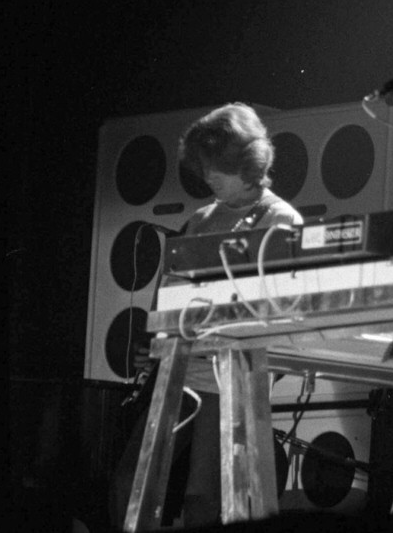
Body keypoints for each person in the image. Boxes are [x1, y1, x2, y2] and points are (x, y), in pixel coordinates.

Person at [110, 102, 302, 528]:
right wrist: (153, 343)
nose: (207, 176)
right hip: (179, 372)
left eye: (217, 168)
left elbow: (283, 310)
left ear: (247, 164)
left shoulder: (281, 218)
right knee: (129, 483)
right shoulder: (199, 220)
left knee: (204, 500)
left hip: (227, 377)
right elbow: (169, 297)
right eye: (204, 167)